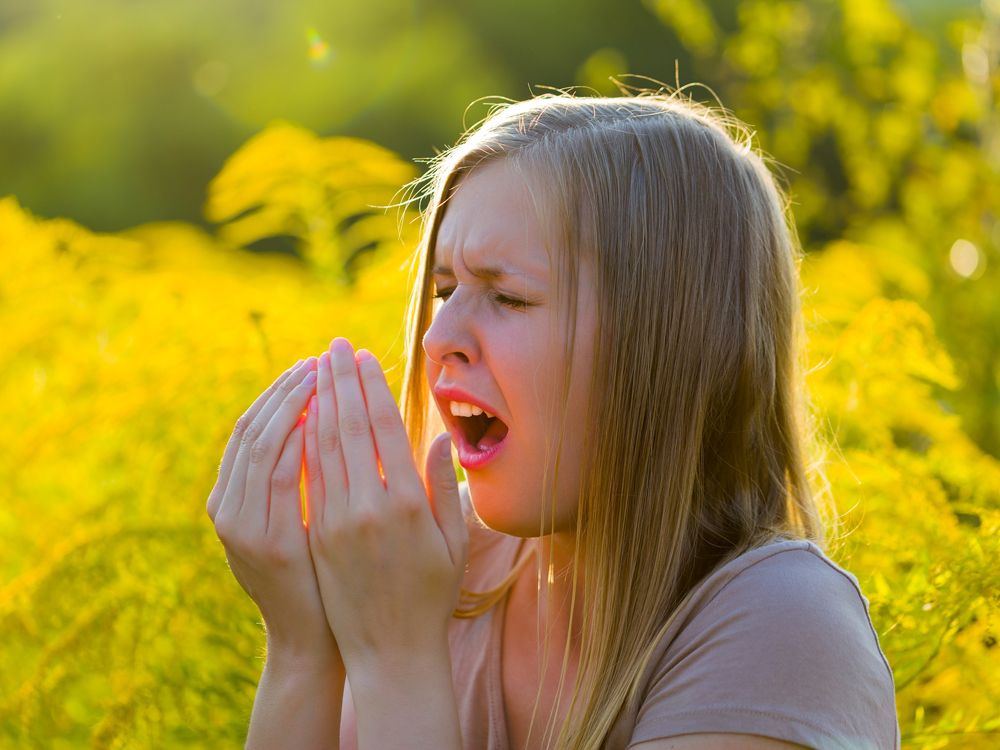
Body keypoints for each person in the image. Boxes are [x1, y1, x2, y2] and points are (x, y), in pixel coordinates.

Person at [206, 87, 900, 749]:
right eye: (444, 289)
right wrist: (304, 647)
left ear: (665, 345)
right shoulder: (447, 573)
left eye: (507, 298)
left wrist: (395, 655)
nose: (436, 337)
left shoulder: (779, 625)